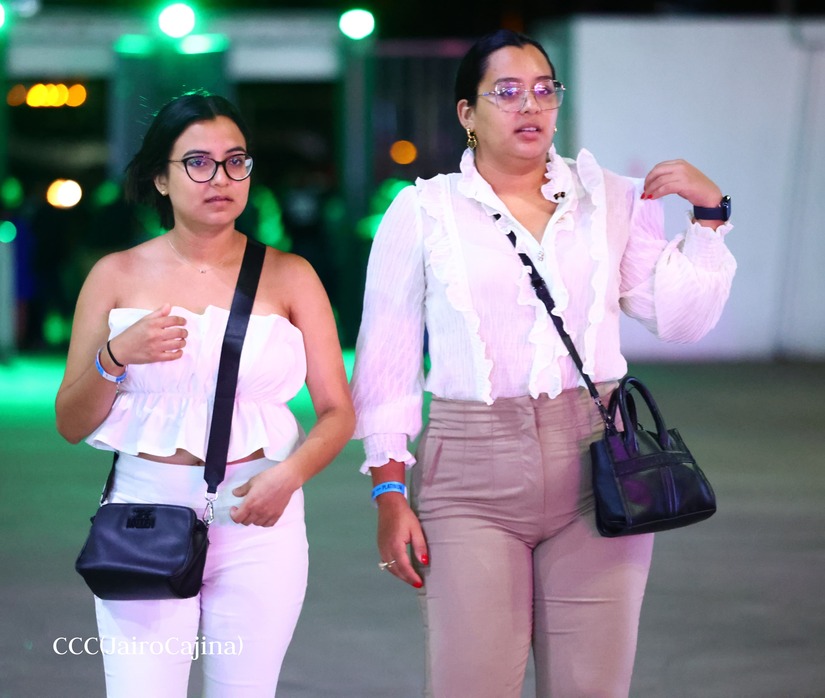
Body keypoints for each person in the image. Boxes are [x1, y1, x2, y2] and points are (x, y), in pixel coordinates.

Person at [350, 29, 736, 698]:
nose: (528, 105)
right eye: (505, 92)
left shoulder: (610, 199)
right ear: (467, 113)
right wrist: (389, 494)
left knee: (592, 687)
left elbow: (679, 320)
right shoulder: (422, 211)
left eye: (542, 90)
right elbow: (386, 366)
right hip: (468, 474)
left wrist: (708, 215)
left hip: (597, 463)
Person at [55, 91, 355, 697]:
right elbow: (71, 421)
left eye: (235, 161)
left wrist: (288, 477)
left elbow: (337, 412)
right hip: (143, 512)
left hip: (259, 514)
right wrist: (116, 356)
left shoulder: (292, 275)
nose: (220, 178)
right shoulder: (114, 275)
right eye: (197, 162)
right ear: (161, 179)